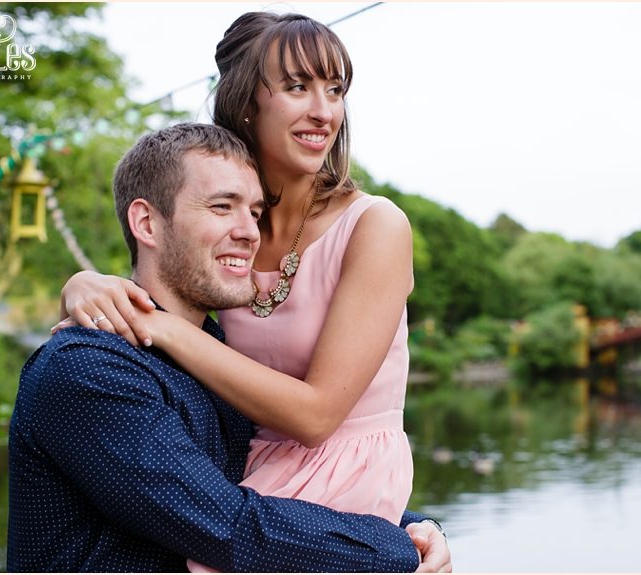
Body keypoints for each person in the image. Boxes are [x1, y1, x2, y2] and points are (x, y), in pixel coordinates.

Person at [55, 12, 448, 573]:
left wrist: (405, 529)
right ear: (246, 102)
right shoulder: (238, 229)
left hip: (347, 473)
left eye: (335, 90)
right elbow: (165, 279)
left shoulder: (375, 226)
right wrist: (83, 286)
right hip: (243, 473)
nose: (324, 110)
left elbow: (317, 417)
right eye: (297, 87)